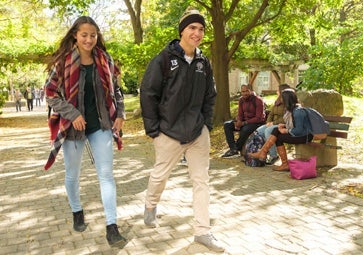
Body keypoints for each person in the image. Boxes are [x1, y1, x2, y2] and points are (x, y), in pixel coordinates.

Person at [140, 7, 225, 252]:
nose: (197, 33)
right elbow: (148, 93)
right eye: (192, 28)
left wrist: (206, 124)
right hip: (169, 132)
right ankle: (150, 205)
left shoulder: (203, 62)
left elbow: (211, 95)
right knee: (159, 176)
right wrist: (154, 130)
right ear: (182, 31)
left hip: (198, 133)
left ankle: (202, 232)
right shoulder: (164, 59)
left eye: (200, 29)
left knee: (201, 182)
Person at [43, 16, 126, 246]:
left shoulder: (105, 60)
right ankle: (77, 211)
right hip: (73, 129)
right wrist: (73, 113)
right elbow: (49, 93)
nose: (89, 39)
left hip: (101, 126)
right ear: (75, 36)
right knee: (72, 174)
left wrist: (120, 114)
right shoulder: (64, 62)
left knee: (106, 175)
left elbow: (117, 91)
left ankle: (112, 227)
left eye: (93, 35)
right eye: (84, 35)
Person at [248, 88, 313, 171]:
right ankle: (263, 153)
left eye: (282, 98)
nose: (281, 99)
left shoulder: (298, 111)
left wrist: (286, 130)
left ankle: (281, 162)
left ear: (287, 99)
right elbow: (293, 125)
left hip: (305, 136)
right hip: (299, 133)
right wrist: (284, 126)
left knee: (279, 137)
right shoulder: (291, 110)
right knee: (276, 130)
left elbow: (299, 130)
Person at [221, 84, 266, 158]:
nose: (245, 93)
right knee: (227, 124)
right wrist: (238, 121)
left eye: (246, 91)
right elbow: (240, 114)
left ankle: (237, 148)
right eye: (243, 91)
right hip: (245, 122)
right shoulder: (241, 100)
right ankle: (233, 149)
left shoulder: (258, 100)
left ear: (251, 91)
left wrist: (243, 123)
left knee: (245, 129)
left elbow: (258, 118)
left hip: (257, 123)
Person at [254, 84, 290, 164]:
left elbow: (286, 118)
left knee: (268, 131)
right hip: (273, 123)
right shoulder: (277, 101)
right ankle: (263, 153)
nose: (276, 91)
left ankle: (273, 156)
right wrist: (268, 122)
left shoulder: (288, 102)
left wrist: (273, 123)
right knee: (259, 131)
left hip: (284, 124)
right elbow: (271, 113)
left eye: (278, 90)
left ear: (282, 92)